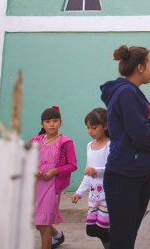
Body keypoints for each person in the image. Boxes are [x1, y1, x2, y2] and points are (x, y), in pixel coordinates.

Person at [100, 44, 150, 249]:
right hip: (124, 176)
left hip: (136, 173)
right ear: (140, 68)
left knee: (127, 236)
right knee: (123, 239)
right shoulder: (127, 92)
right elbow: (140, 135)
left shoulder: (129, 91)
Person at [30, 106, 78, 249]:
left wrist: (55, 171)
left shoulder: (65, 142)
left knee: (43, 225)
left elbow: (72, 165)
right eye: (48, 121)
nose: (51, 124)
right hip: (35, 186)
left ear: (60, 122)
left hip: (52, 187)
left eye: (55, 121)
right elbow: (26, 160)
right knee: (39, 222)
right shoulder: (35, 141)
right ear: (42, 124)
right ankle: (57, 236)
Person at [71, 108, 111, 249]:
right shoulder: (89, 146)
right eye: (88, 127)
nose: (90, 131)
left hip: (107, 196)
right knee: (91, 230)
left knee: (102, 229)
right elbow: (88, 174)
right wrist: (79, 192)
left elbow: (113, 170)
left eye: (94, 127)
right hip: (94, 197)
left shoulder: (110, 145)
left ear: (105, 126)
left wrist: (96, 172)